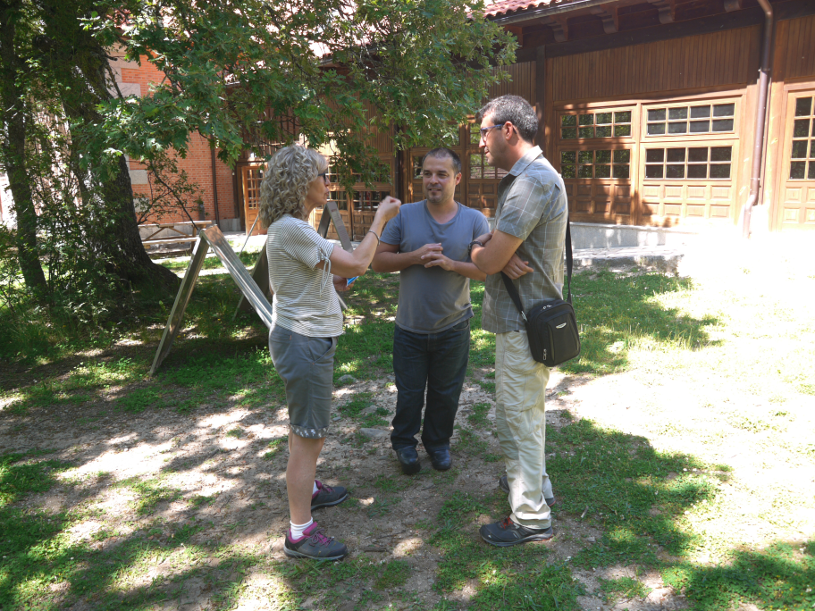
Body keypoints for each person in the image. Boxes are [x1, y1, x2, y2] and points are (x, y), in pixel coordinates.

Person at [261, 145, 401, 560]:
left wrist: (330, 284)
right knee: (309, 437)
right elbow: (359, 263)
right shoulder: (293, 229)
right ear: (300, 183)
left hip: (301, 338)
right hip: (303, 343)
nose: (328, 182)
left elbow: (298, 279)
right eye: (322, 175)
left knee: (304, 428)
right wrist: (379, 220)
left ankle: (310, 489)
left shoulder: (291, 228)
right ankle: (300, 533)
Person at [469, 95, 567, 547]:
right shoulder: (530, 179)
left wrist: (486, 254)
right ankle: (535, 488)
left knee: (518, 416)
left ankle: (530, 517)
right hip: (528, 319)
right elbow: (497, 246)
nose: (480, 143)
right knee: (525, 412)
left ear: (508, 130)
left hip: (524, 322)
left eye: (484, 132)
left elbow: (487, 257)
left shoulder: (531, 182)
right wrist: (496, 252)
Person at [372, 148, 488, 474]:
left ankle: (438, 443)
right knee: (409, 394)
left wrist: (452, 264)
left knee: (446, 393)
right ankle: (405, 444)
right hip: (410, 327)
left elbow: (485, 271)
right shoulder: (405, 215)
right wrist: (413, 256)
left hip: (453, 326)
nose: (433, 180)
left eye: (441, 174)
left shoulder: (474, 220)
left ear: (457, 178)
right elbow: (378, 261)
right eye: (427, 173)